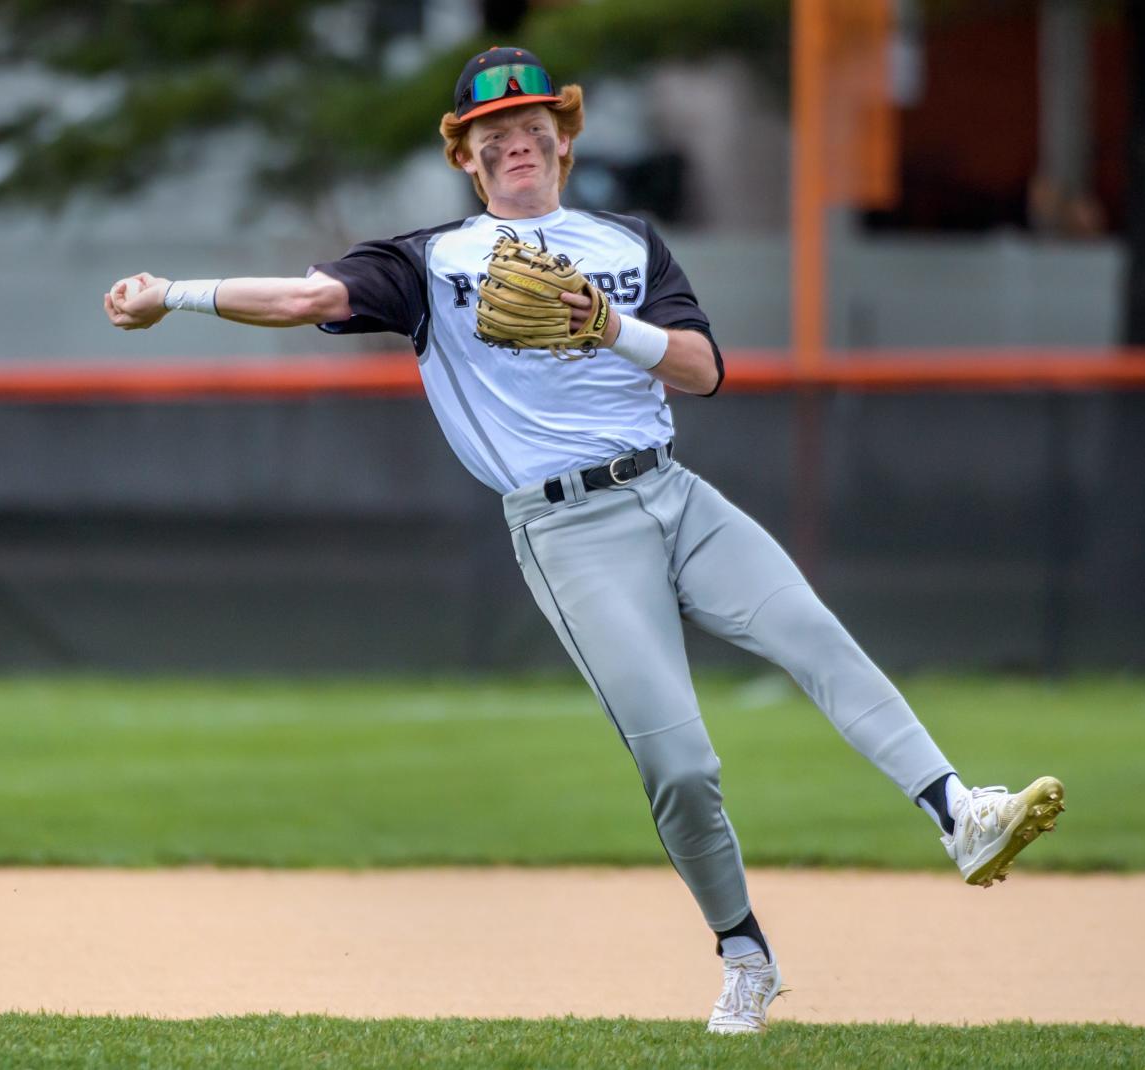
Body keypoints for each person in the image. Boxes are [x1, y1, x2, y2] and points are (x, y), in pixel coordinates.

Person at [104, 47, 1065, 1034]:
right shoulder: (430, 262)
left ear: (563, 140)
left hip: (675, 494)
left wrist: (613, 326)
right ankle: (744, 952)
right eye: (491, 136)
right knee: (681, 762)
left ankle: (961, 813)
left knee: (816, 636)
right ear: (468, 161)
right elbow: (306, 298)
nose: (512, 142)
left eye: (529, 126)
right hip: (569, 531)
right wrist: (171, 292)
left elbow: (702, 370)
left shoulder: (628, 241)